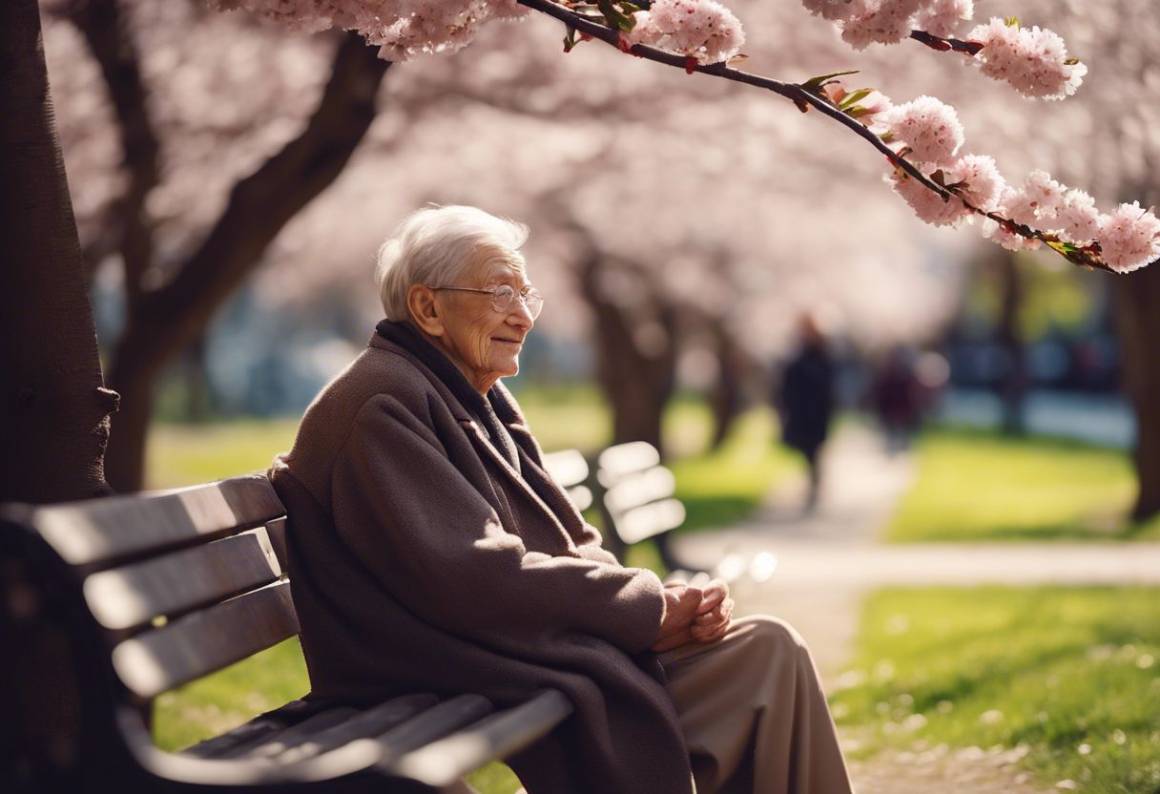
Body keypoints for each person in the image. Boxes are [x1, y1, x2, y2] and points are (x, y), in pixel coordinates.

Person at [270, 206, 853, 794]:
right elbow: (475, 576)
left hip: (502, 647)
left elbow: (572, 543)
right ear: (428, 308)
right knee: (765, 660)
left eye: (527, 294)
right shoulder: (383, 403)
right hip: (436, 665)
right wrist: (646, 610)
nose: (523, 317)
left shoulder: (474, 392)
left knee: (771, 648)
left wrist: (656, 607)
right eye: (500, 293)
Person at [774, 314, 837, 513]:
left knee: (814, 452)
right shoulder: (797, 355)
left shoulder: (822, 356)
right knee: (806, 451)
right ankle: (812, 483)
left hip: (816, 412)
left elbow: (827, 386)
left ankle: (814, 485)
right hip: (801, 412)